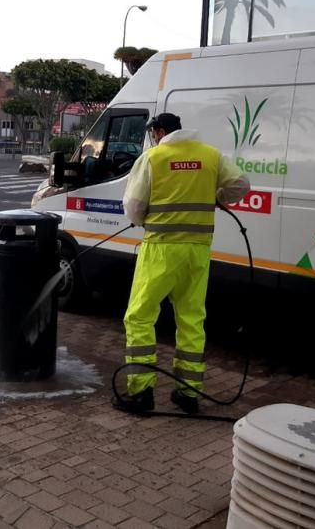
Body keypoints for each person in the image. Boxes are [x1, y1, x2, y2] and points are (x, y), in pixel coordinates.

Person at [116, 112, 250, 414]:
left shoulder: (154, 157)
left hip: (161, 249)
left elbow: (133, 207)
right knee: (191, 319)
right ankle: (188, 394)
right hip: (198, 251)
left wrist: (142, 220)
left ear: (161, 131)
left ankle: (141, 393)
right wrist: (215, 196)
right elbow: (241, 185)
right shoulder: (211, 155)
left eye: (155, 133)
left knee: (139, 317)